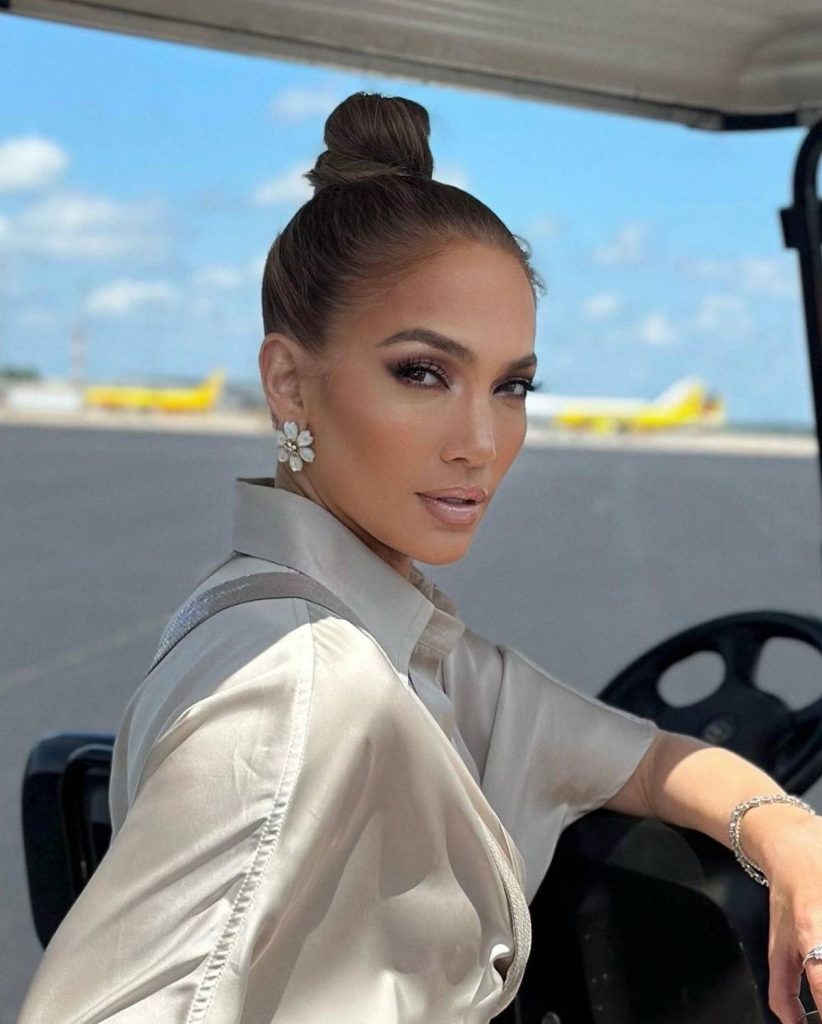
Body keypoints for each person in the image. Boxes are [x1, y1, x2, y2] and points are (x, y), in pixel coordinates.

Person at [16, 91, 822, 1024]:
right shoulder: (312, 685)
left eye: (512, 387)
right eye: (422, 373)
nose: (481, 442)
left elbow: (641, 761)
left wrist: (789, 840)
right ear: (289, 382)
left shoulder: (373, 637)